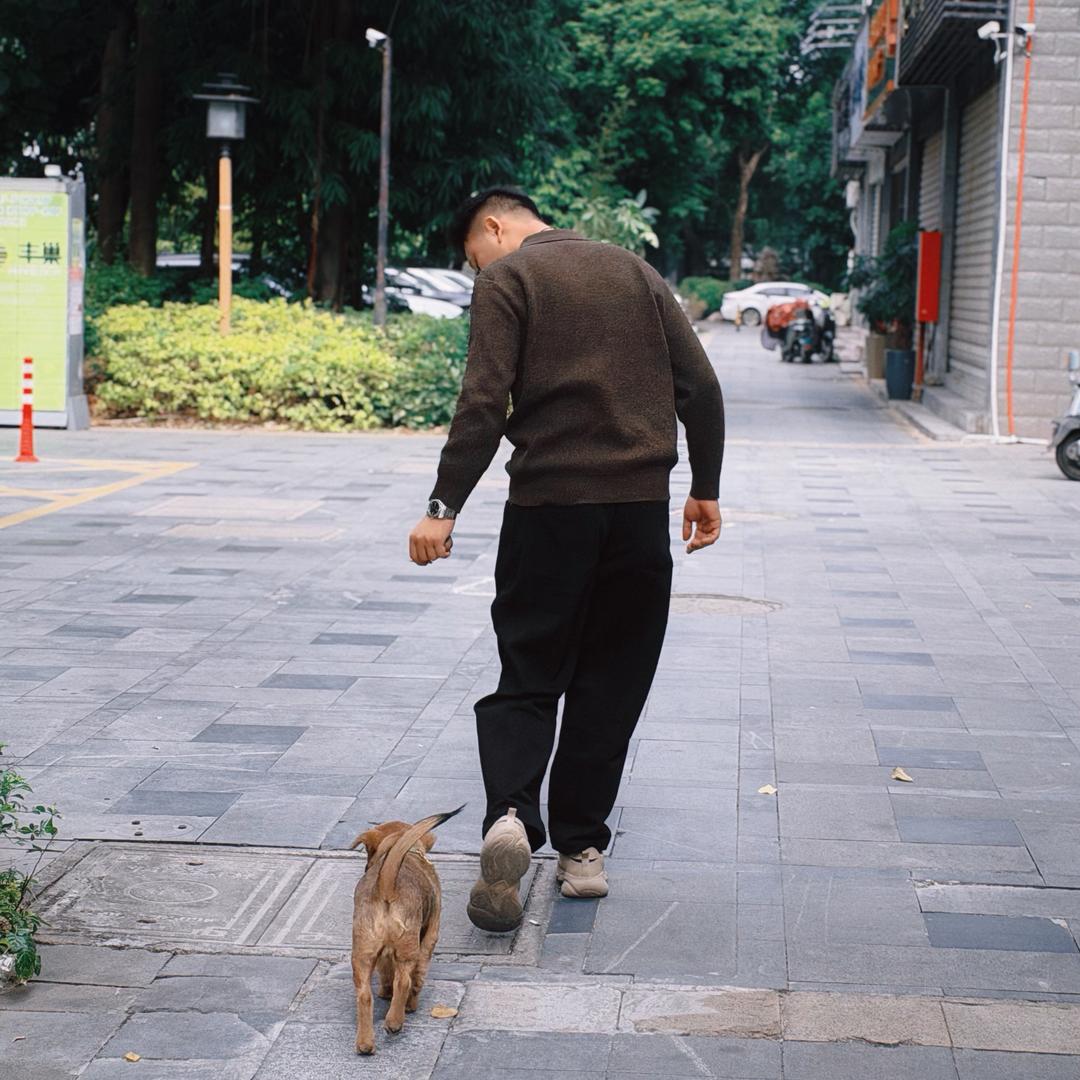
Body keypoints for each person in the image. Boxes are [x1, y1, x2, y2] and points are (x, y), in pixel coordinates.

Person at [407, 187, 725, 933]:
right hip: (638, 514)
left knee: (528, 672)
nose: (478, 268)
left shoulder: (509, 278)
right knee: (612, 681)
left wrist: (442, 507)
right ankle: (582, 852)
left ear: (493, 226)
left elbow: (483, 402)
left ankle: (512, 817)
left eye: (473, 255)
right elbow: (702, 387)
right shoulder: (634, 270)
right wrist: (704, 489)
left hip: (547, 512)